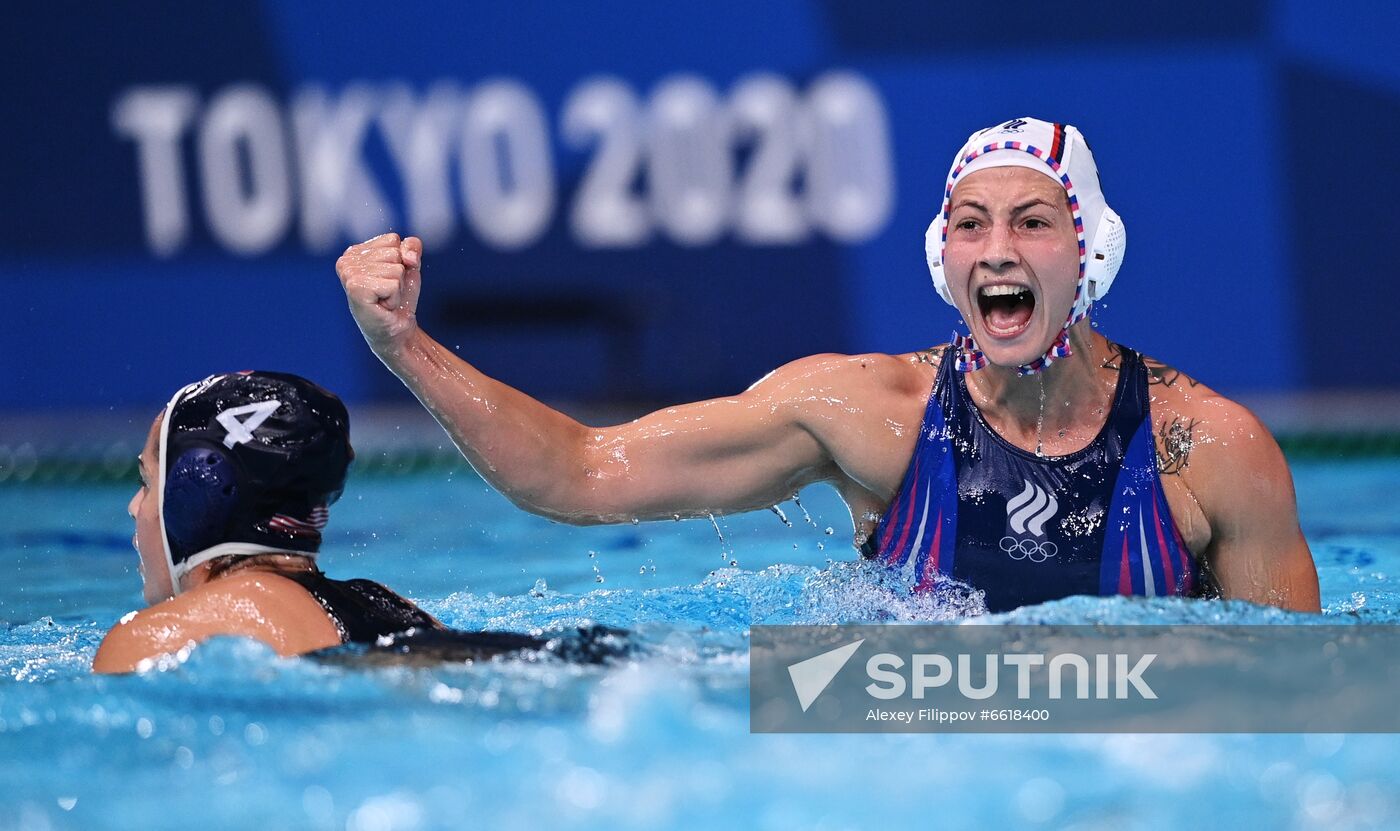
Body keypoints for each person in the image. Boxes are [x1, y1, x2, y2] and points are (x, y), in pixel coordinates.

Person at [334, 117, 1320, 614]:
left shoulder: (1206, 449)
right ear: (944, 260)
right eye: (970, 226)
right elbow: (576, 475)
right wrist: (403, 348)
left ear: (1090, 251)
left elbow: (1300, 704)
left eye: (1031, 223)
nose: (998, 250)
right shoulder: (863, 416)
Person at [93, 371, 618, 674]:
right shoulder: (386, 604)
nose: (134, 508)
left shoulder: (157, 638)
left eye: (146, 481)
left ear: (200, 487)